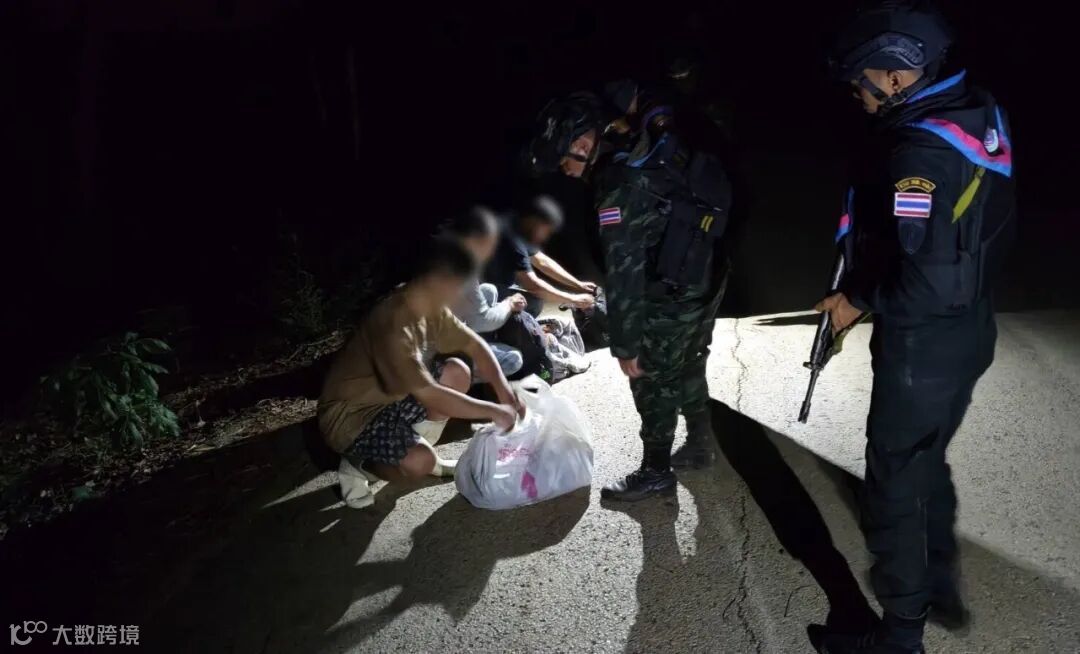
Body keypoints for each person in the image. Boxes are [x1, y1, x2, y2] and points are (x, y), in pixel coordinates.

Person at [808, 3, 1016, 653]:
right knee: (925, 460)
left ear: (898, 76)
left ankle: (900, 634)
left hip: (925, 341)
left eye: (862, 79)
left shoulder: (919, 151)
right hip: (971, 327)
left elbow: (924, 282)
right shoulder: (973, 109)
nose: (856, 90)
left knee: (895, 482)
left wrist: (854, 300)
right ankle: (938, 587)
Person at [525, 78, 734, 501]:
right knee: (689, 361)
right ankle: (700, 444)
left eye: (564, 159)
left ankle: (656, 471)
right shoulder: (644, 151)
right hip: (705, 273)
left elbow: (625, 275)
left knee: (652, 380)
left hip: (672, 291)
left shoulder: (618, 187)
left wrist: (625, 344)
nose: (565, 170)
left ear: (582, 144)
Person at [318, 237, 523, 510]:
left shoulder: (430, 303)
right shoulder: (394, 325)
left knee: (457, 372)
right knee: (418, 463)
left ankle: (416, 444)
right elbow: (432, 395)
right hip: (352, 419)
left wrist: (504, 392)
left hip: (393, 396)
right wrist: (496, 412)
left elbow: (475, 345)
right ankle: (359, 465)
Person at [445, 206, 528, 378]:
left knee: (488, 290)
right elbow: (484, 321)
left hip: (446, 332)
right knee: (513, 359)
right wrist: (509, 304)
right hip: (437, 357)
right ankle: (459, 381)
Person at [484, 195, 597, 316]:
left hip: (495, 282)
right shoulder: (512, 240)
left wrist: (578, 284)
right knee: (533, 302)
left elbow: (542, 261)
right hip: (482, 290)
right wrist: (574, 299)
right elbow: (533, 285)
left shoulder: (517, 225)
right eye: (546, 230)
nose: (546, 236)